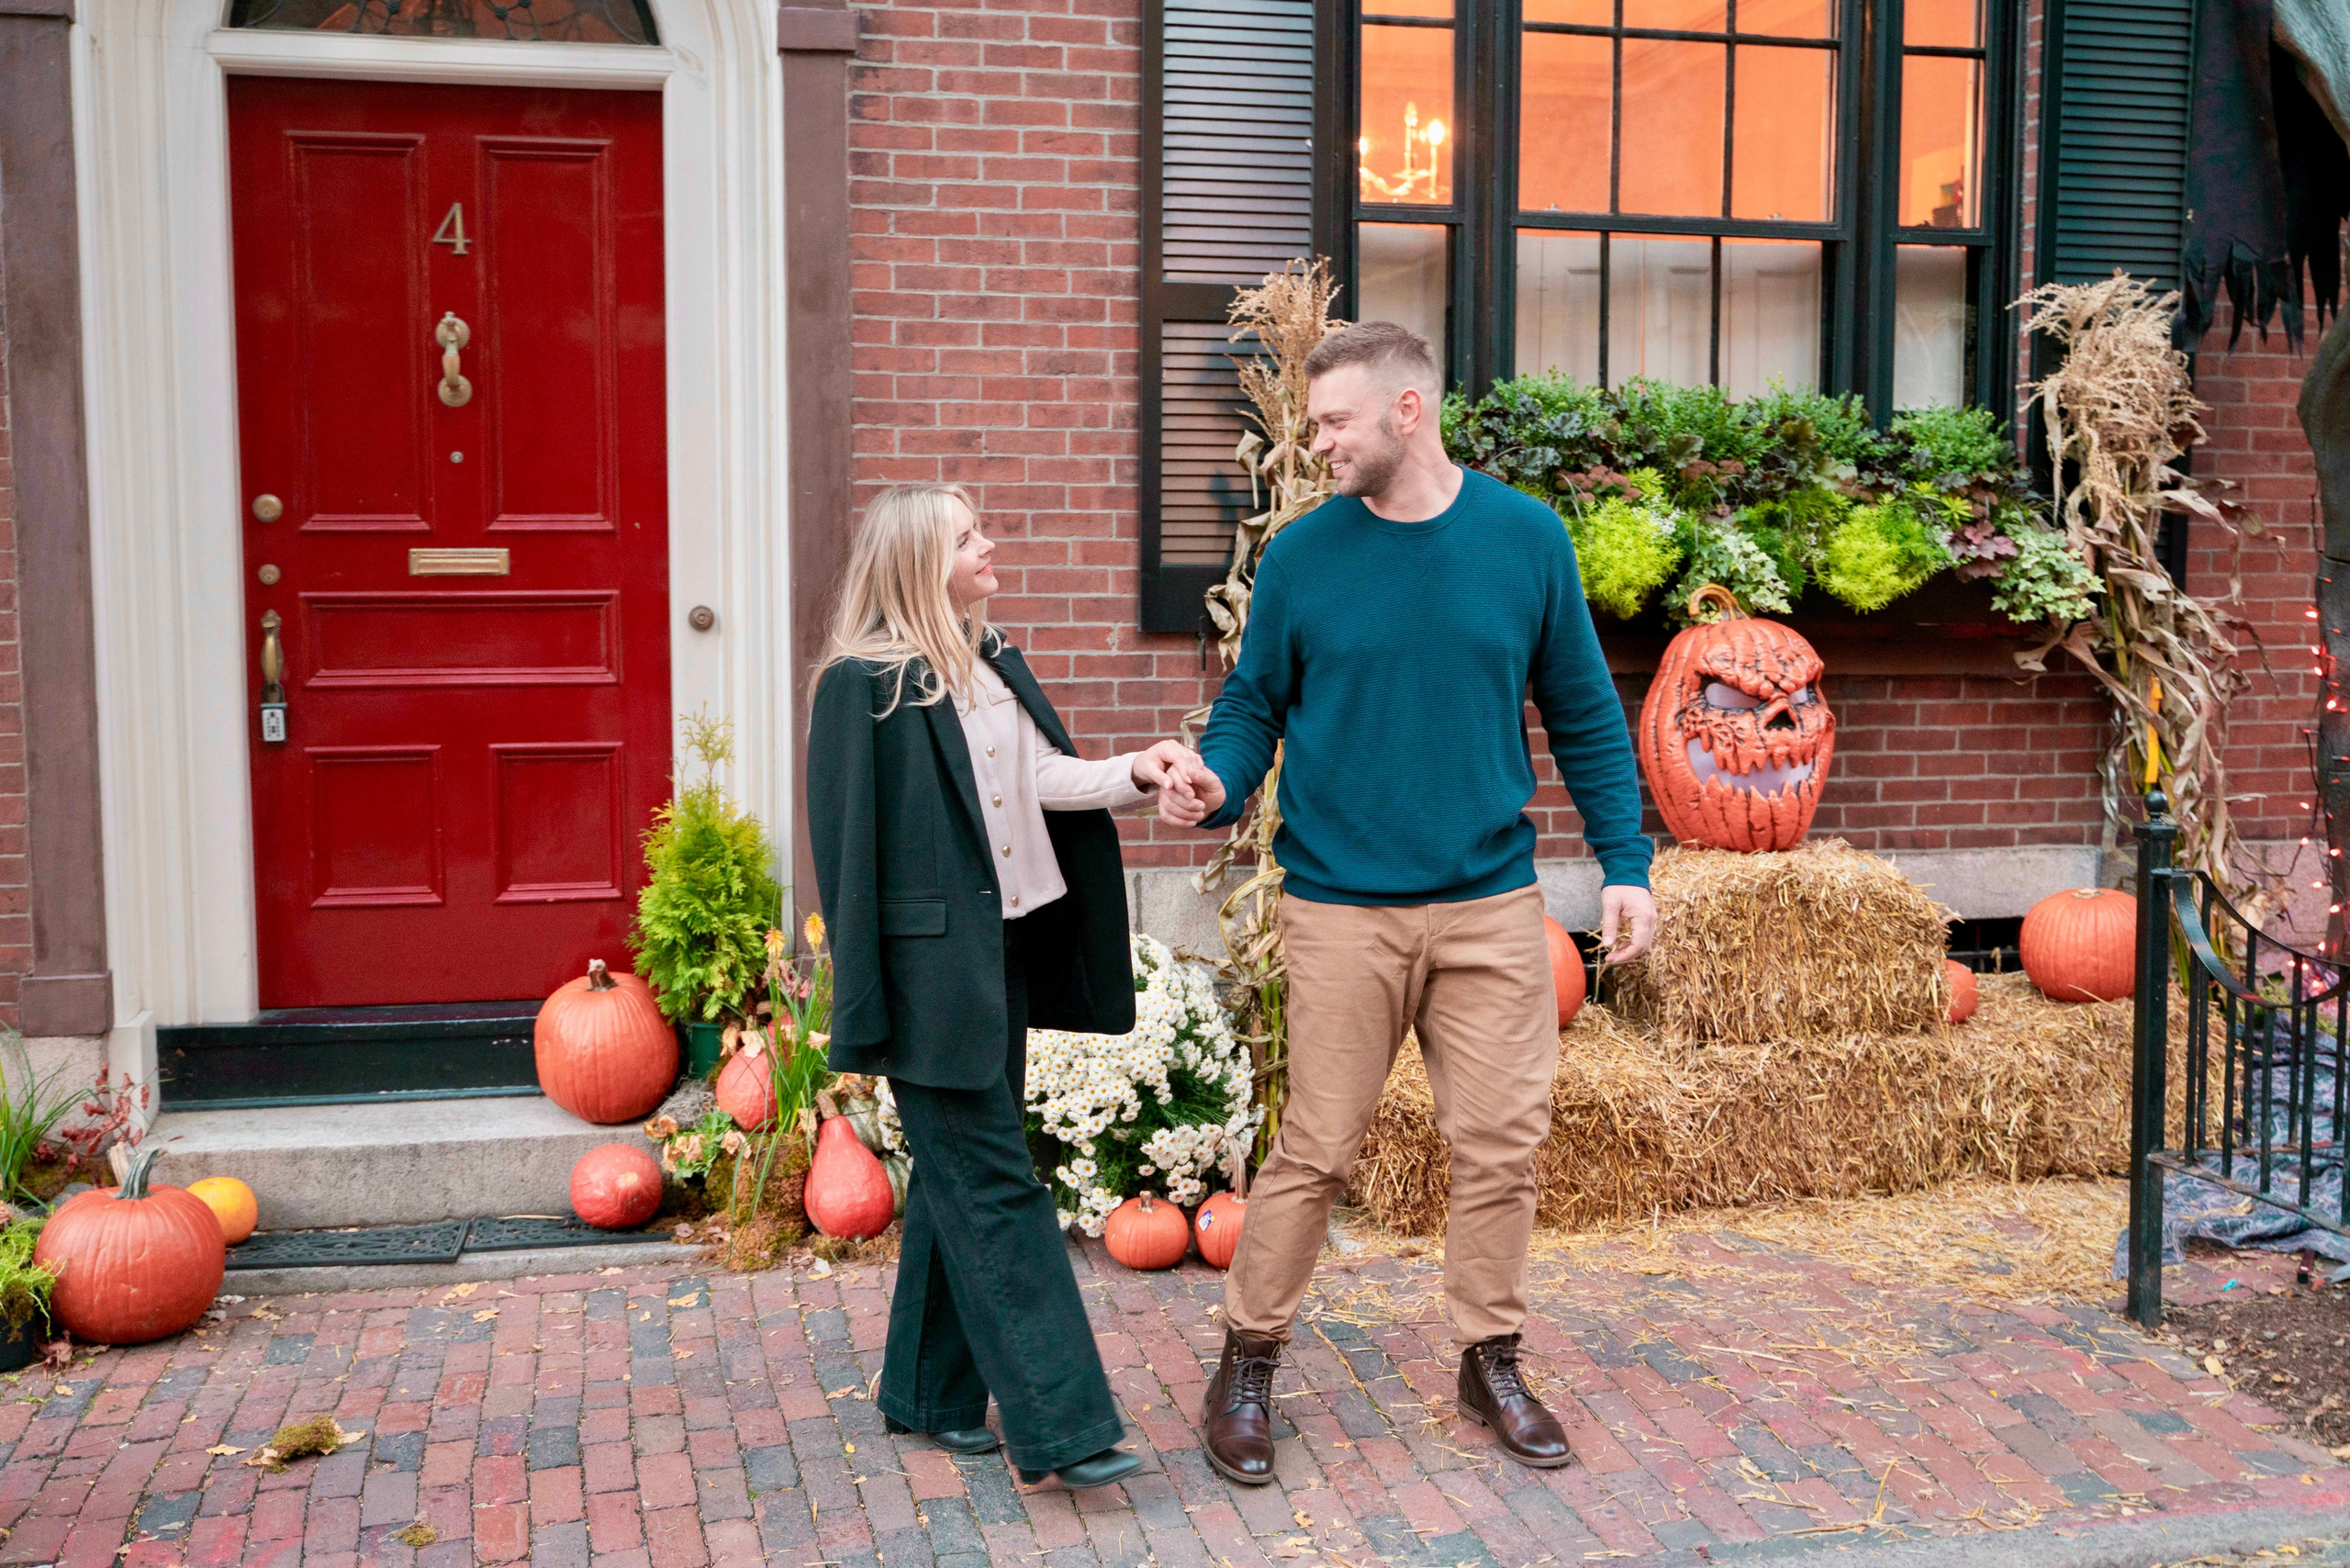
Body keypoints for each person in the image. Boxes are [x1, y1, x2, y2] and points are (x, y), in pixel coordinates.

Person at [1160, 321, 1661, 1482]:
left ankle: (1488, 1355)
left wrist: (1625, 862)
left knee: (1501, 1147)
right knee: (1316, 1147)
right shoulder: (1301, 557)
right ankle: (1248, 1358)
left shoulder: (1525, 541)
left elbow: (1583, 711)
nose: (1317, 439)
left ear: (1407, 412)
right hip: (1339, 906)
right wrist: (1217, 778)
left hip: (1489, 902)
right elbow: (1251, 706)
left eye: (1334, 420)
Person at [805, 482, 1199, 1490]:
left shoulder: (985, 662)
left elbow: (1041, 783)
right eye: (967, 536)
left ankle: (927, 1396)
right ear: (915, 562)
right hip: (929, 980)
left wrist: (1135, 770)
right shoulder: (866, 684)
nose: (990, 545)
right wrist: (865, 1008)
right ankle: (1063, 1424)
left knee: (954, 1179)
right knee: (993, 1184)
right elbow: (847, 857)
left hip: (1004, 960)